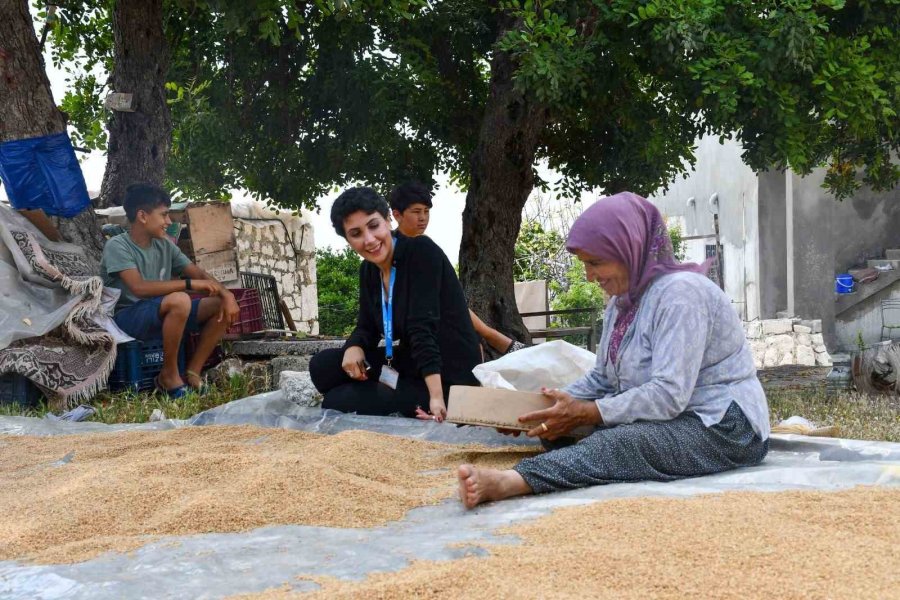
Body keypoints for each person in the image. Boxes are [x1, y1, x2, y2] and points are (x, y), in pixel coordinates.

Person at [457, 192, 770, 508]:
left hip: (723, 427)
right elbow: (602, 381)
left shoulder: (680, 295)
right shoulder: (622, 305)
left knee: (624, 443)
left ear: (629, 249)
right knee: (552, 430)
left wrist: (591, 412)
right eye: (585, 264)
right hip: (673, 418)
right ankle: (565, 448)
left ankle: (513, 481)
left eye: (595, 262)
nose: (589, 276)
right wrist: (533, 411)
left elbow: (668, 395)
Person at [309, 186, 481, 421]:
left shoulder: (421, 252)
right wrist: (354, 347)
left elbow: (422, 329)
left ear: (388, 220)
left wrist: (437, 399)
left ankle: (409, 398)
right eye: (356, 233)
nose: (369, 240)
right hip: (410, 363)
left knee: (336, 401)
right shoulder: (369, 271)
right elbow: (367, 326)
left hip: (447, 374)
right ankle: (390, 395)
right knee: (322, 366)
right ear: (347, 239)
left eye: (373, 226)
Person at [101, 183, 240, 398]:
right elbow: (139, 288)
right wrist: (188, 285)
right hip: (126, 318)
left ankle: (193, 372)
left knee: (219, 305)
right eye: (164, 215)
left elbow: (199, 274)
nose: (168, 222)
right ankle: (168, 375)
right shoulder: (118, 246)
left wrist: (226, 294)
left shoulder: (164, 245)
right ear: (142, 216)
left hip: (160, 310)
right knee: (180, 300)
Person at [388, 181, 525, 356]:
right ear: (397, 215)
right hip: (413, 321)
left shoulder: (426, 246)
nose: (423, 218)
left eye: (426, 211)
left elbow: (450, 296)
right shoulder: (391, 248)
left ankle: (491, 337)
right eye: (416, 212)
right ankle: (493, 337)